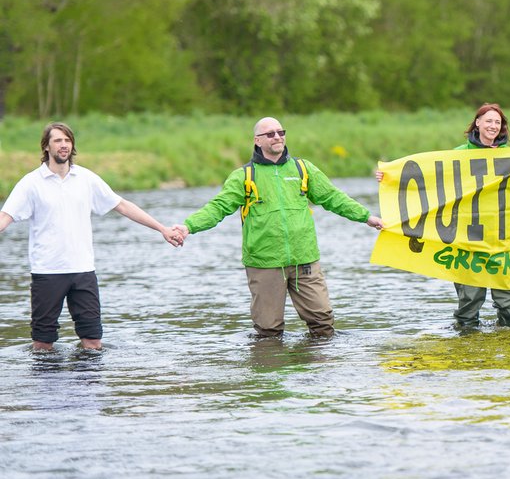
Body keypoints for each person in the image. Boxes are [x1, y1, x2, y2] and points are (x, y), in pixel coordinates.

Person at [175, 117, 383, 338]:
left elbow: (333, 197)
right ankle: (271, 370)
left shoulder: (303, 169)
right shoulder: (244, 176)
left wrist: (366, 217)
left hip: (304, 258)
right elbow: (218, 208)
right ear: (257, 140)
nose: (277, 137)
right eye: (270, 134)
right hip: (264, 262)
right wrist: (189, 227)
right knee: (268, 331)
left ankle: (319, 371)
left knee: (323, 325)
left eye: (281, 132)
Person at [0, 122, 183, 351]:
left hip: (83, 271)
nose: (63, 145)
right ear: (46, 146)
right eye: (58, 140)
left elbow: (123, 206)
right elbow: (5, 217)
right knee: (42, 343)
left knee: (93, 341)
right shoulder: (31, 183)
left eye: (67, 140)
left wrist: (162, 229)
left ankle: (87, 385)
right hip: (47, 272)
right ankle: (46, 387)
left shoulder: (86, 178)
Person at [378, 103, 510, 329]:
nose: (493, 126)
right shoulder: (457, 155)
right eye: (488, 121)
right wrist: (392, 177)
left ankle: (507, 348)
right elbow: (429, 179)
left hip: (503, 238)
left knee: (508, 305)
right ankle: (466, 349)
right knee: (470, 302)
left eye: (497, 122)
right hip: (467, 238)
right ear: (477, 123)